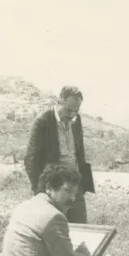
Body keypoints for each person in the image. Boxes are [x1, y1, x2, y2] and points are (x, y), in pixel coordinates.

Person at [23, 86, 93, 224]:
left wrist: (83, 185)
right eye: (68, 110)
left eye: (76, 111)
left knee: (80, 227)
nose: (72, 115)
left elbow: (80, 153)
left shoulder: (76, 120)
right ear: (59, 102)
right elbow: (31, 160)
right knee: (54, 227)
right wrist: (40, 192)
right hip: (55, 188)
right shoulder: (43, 121)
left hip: (76, 184)